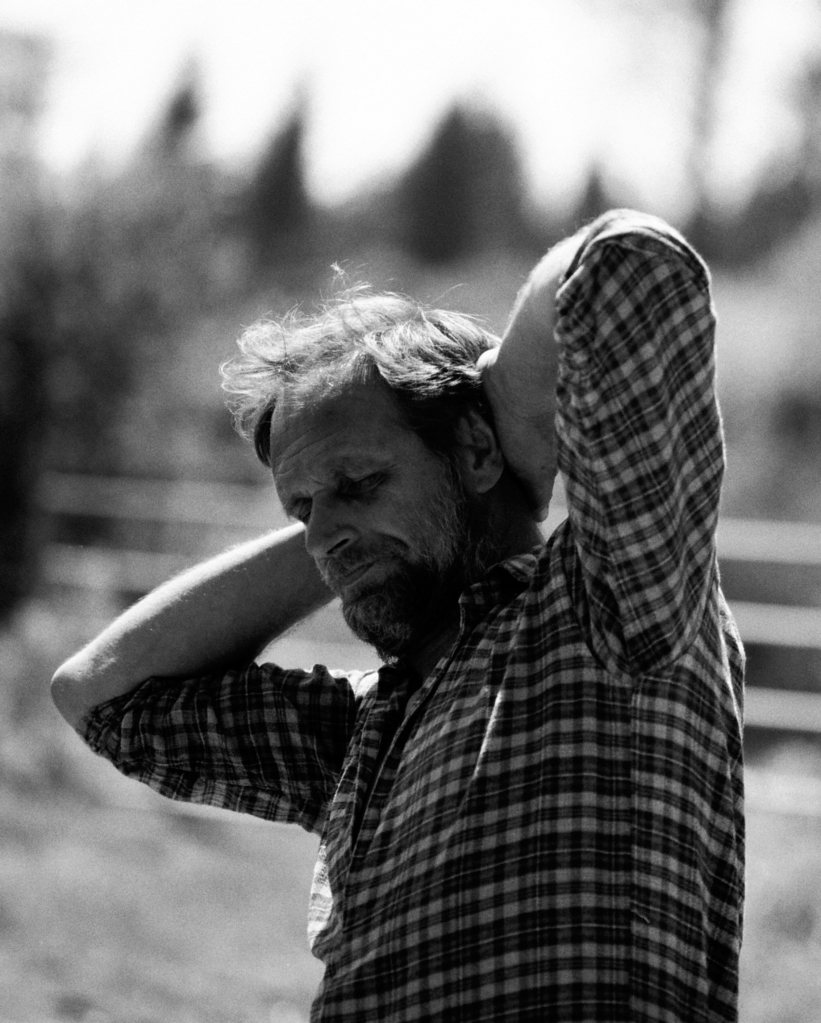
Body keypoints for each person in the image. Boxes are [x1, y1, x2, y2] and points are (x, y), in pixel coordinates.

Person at [51, 209, 745, 1022]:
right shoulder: (365, 723)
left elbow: (630, 263)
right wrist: (343, 525)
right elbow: (99, 694)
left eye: (358, 481)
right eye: (299, 508)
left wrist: (509, 408)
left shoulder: (609, 605)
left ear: (478, 450)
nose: (320, 536)